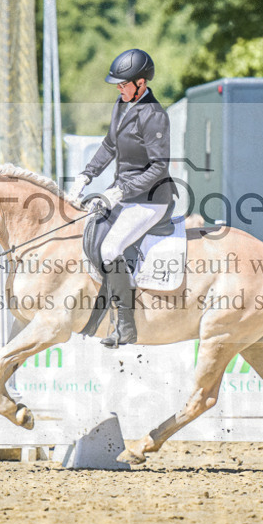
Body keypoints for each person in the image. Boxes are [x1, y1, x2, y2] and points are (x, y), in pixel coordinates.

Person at [67, 49, 176, 347]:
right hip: (125, 194)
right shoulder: (123, 103)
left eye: (124, 83)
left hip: (151, 200)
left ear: (141, 83)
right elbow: (109, 144)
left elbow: (159, 167)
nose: (118, 87)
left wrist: (121, 191)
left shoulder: (154, 115)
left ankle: (126, 326)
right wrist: (86, 175)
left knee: (111, 248)